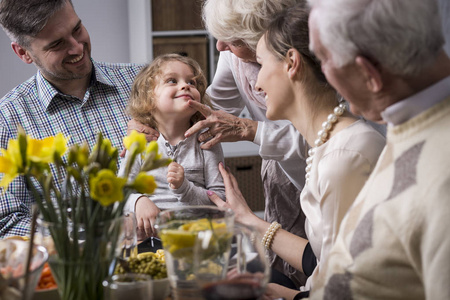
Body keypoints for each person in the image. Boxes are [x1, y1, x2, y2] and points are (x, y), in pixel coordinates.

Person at [205, 3, 385, 299]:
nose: (257, 83)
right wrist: (246, 218)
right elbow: (324, 260)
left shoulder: (344, 158)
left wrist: (288, 296)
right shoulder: (330, 148)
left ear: (292, 63)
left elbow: (346, 290)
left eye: (261, 66)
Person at [305, 0, 450, 299]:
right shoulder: (411, 119)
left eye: (322, 58)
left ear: (368, 73)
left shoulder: (442, 180)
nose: (321, 73)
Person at [186, 0, 310, 287]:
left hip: (329, 169)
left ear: (262, 39)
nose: (219, 47)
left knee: (331, 263)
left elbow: (323, 136)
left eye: (232, 40)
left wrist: (250, 129)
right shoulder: (235, 57)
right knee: (291, 266)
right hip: (285, 171)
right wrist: (152, 119)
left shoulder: (311, 57)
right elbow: (213, 105)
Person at [0, 0, 143, 237]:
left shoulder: (143, 82)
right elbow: (6, 221)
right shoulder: (7, 121)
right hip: (78, 268)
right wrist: (89, 236)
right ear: (23, 53)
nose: (77, 48)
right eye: (57, 44)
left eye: (77, 29)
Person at [118, 54, 225, 238]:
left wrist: (185, 188)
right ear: (148, 99)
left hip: (197, 242)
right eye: (172, 80)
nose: (186, 86)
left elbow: (219, 199)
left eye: (191, 82)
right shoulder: (139, 143)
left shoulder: (206, 141)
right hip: (148, 243)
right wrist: (138, 201)